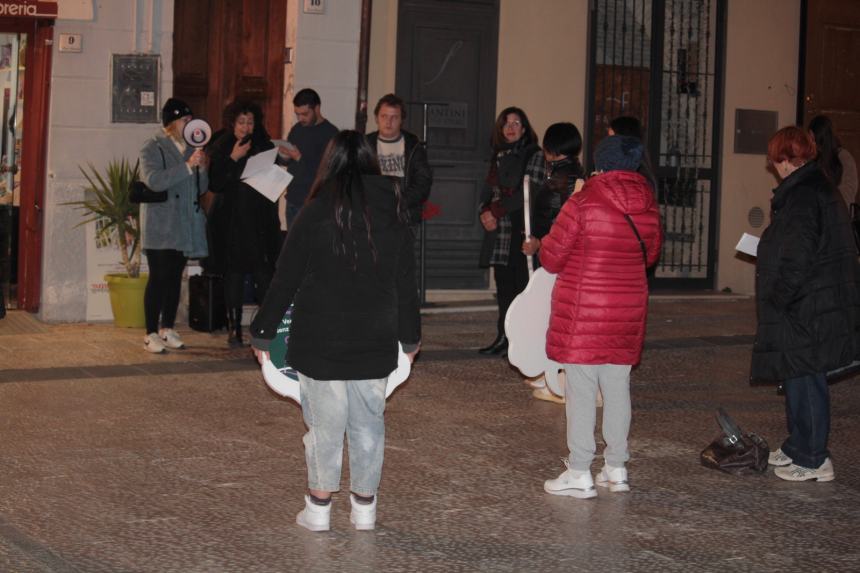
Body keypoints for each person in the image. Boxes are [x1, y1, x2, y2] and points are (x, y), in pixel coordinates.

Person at [250, 131, 421, 532]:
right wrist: (410, 338)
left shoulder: (314, 211)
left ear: (330, 164)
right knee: (368, 425)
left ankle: (319, 508)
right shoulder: (394, 212)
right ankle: (364, 508)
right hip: (375, 338)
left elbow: (285, 278)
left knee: (324, 426)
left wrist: (262, 332)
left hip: (319, 339)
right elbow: (405, 283)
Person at [539, 135, 662, 498]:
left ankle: (579, 471)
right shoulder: (648, 204)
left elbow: (552, 257)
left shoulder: (583, 202)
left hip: (585, 311)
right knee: (617, 387)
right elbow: (650, 256)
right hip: (627, 310)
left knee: (580, 390)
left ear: (600, 165)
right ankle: (616, 467)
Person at [753, 126, 860, 482]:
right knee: (797, 374)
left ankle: (815, 458)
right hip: (813, 299)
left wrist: (778, 296)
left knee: (807, 378)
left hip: (808, 302)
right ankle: (798, 444)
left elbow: (797, 255)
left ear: (785, 159)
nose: (773, 165)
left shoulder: (803, 195)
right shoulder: (814, 187)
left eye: (775, 159)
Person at [207, 100, 284, 347]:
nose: (246, 127)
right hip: (231, 221)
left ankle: (263, 327)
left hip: (259, 220)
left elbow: (272, 179)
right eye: (241, 122)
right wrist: (232, 158)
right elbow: (216, 183)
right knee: (234, 274)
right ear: (233, 123)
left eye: (250, 122)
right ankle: (234, 329)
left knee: (264, 274)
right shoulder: (221, 145)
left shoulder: (264, 144)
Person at [521, 122, 585, 404]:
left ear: (550, 149)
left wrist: (540, 242)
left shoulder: (562, 180)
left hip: (557, 257)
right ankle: (551, 374)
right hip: (563, 256)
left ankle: (559, 379)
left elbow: (562, 224)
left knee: (556, 316)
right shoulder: (575, 175)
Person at [139, 98, 209, 354]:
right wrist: (187, 167)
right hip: (160, 225)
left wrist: (201, 168)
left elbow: (200, 189)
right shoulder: (152, 146)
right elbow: (154, 180)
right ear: (172, 123)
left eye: (190, 120)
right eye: (185, 120)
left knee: (174, 278)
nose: (189, 124)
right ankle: (150, 333)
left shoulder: (193, 148)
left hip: (184, 225)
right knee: (158, 278)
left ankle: (167, 328)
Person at [477, 107, 540, 357]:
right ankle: (502, 337)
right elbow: (488, 191)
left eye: (516, 123)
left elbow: (529, 192)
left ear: (524, 128)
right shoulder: (498, 156)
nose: (510, 127)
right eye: (506, 123)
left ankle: (521, 341)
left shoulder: (533, 155)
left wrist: (495, 211)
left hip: (519, 228)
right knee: (503, 289)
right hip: (499, 231)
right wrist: (484, 212)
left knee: (520, 288)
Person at [366, 93, 433, 225]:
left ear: (401, 120)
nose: (388, 122)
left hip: (403, 214)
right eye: (384, 116)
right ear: (376, 118)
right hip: (371, 213)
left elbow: (423, 182)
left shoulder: (414, 146)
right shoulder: (364, 145)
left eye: (394, 117)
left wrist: (399, 203)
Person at [282, 88, 339, 227]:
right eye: (297, 114)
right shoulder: (297, 129)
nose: (300, 118)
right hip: (292, 198)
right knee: (293, 246)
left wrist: (299, 158)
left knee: (310, 247)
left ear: (317, 108)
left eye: (305, 114)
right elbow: (290, 161)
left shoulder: (331, 133)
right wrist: (283, 156)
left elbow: (327, 172)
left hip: (314, 202)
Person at [808, 114, 858, 209]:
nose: (811, 143)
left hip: (837, 216)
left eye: (813, 139)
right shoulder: (813, 160)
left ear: (822, 138)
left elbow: (848, 192)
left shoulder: (844, 157)